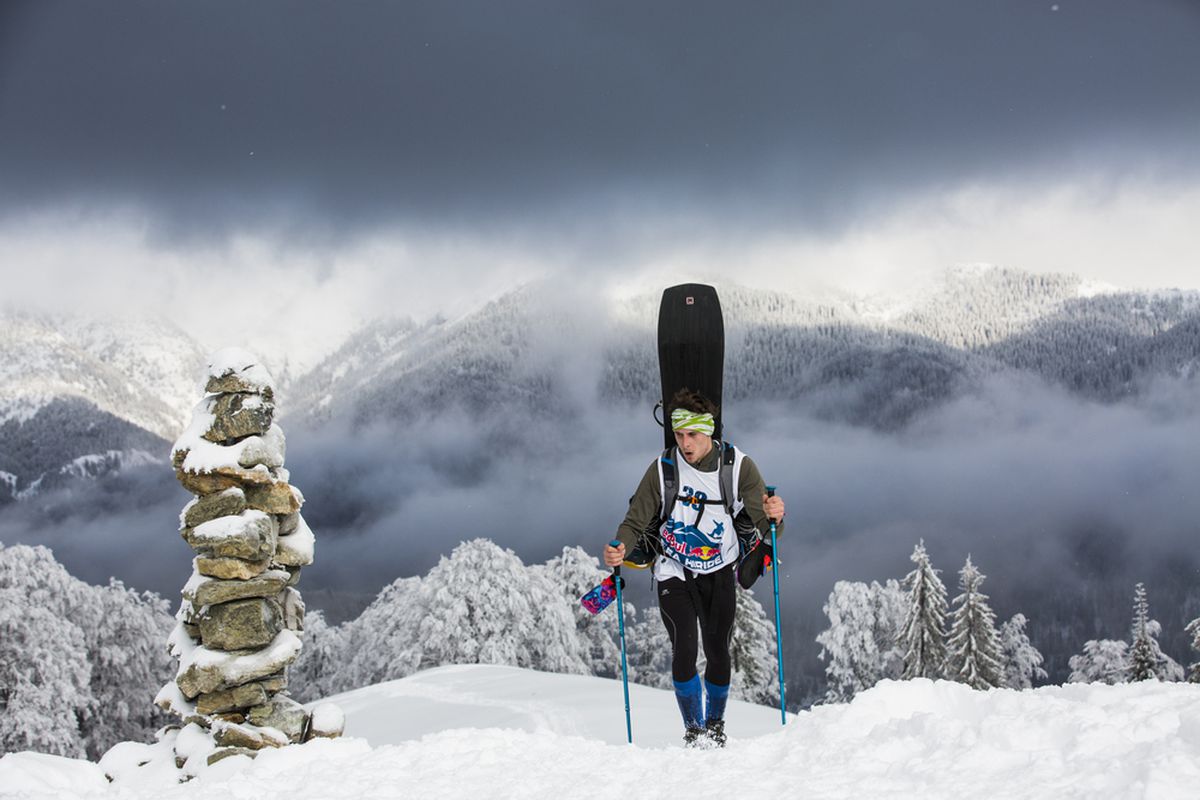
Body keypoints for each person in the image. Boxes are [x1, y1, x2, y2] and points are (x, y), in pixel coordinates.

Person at [604, 388, 785, 747]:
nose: (685, 443)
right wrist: (620, 545)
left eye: (693, 435)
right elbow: (636, 518)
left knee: (718, 652)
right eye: (679, 434)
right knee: (685, 651)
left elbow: (767, 526)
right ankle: (694, 730)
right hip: (674, 570)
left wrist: (776, 519)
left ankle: (715, 725)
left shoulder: (738, 467)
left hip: (719, 570)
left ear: (710, 432)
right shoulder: (663, 468)